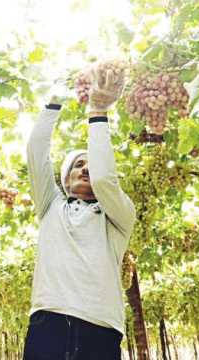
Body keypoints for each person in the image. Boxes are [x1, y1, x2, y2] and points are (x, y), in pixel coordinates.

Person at [23, 63, 136, 360]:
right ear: (64, 179)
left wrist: (97, 112)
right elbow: (35, 149)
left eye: (90, 162)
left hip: (100, 328)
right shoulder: (50, 206)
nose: (86, 168)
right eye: (78, 164)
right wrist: (55, 100)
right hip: (48, 324)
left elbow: (103, 179)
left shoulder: (118, 217)